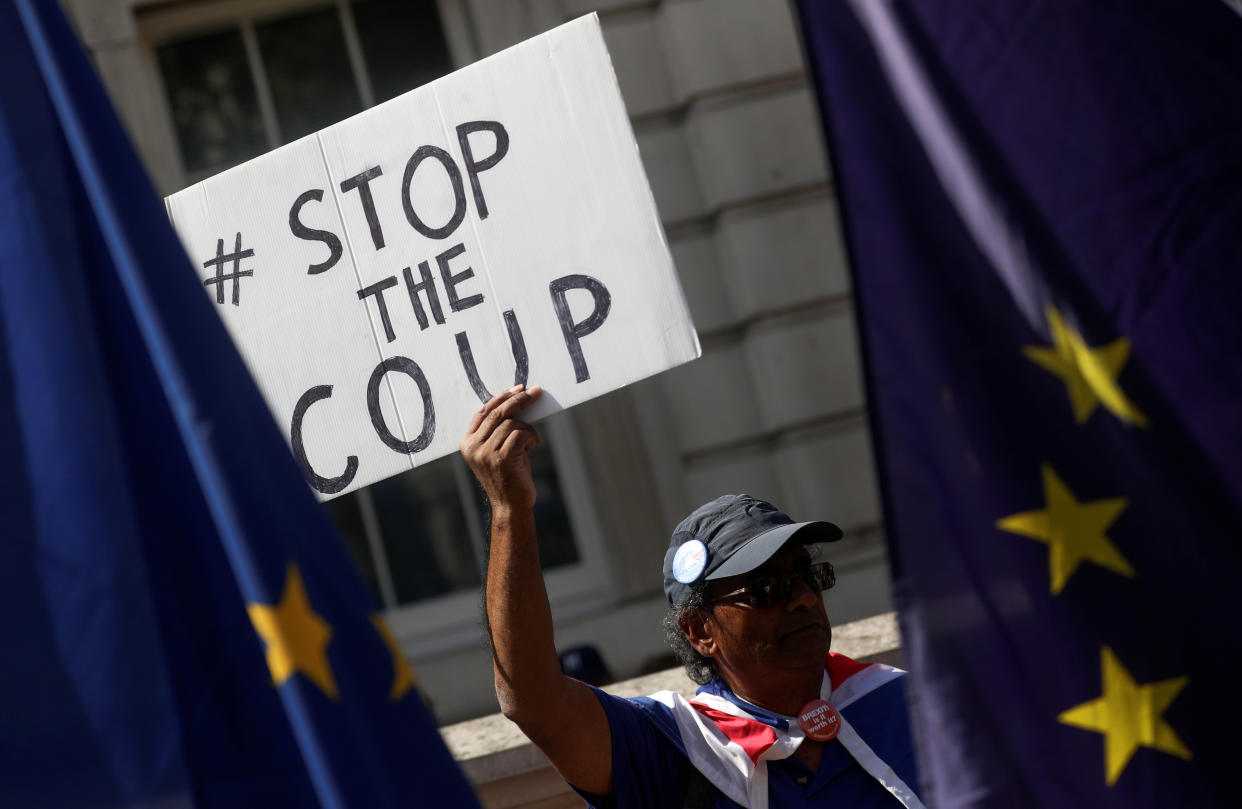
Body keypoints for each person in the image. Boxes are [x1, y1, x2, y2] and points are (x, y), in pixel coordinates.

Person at [462, 384, 923, 808]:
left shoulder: (908, 701)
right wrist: (509, 511)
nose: (802, 599)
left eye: (808, 575)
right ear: (701, 630)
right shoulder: (674, 748)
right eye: (768, 588)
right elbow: (532, 700)